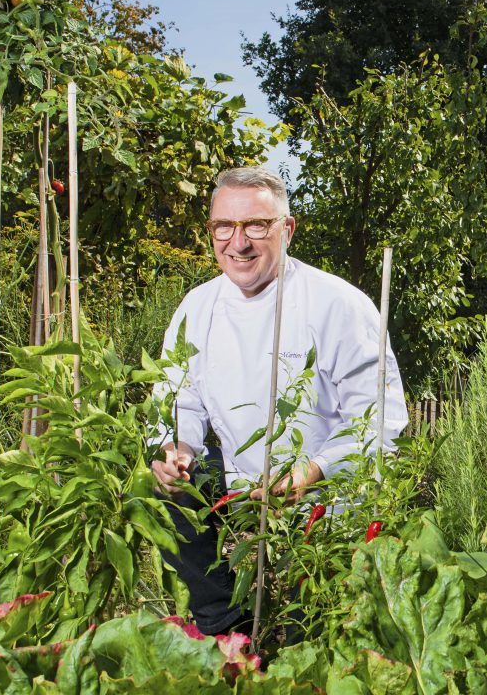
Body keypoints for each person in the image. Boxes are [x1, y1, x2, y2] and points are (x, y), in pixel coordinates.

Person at [150, 166, 408, 636]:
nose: (238, 242)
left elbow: (382, 419)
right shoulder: (199, 306)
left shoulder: (337, 305)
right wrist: (177, 452)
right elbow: (176, 401)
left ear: (286, 229)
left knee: (308, 634)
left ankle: (292, 639)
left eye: (256, 225)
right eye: (223, 227)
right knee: (170, 491)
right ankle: (225, 630)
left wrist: (313, 471)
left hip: (326, 509)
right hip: (244, 505)